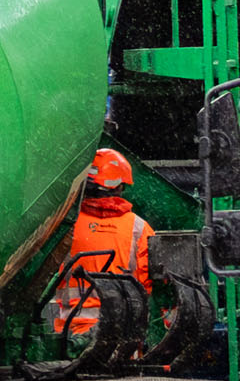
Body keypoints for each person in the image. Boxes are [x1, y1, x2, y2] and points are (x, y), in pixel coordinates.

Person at [38, 148, 158, 363]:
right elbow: (148, 289)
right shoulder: (139, 229)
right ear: (120, 186)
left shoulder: (64, 225)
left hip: (66, 342)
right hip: (120, 345)